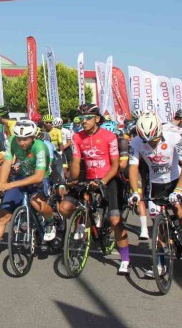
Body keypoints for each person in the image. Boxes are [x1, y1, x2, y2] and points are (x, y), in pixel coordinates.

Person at [128, 112, 182, 272]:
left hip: (176, 179)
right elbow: (133, 167)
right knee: (156, 219)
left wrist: (178, 190)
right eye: (147, 141)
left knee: (179, 210)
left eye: (154, 140)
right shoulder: (136, 142)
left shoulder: (174, 138)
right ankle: (160, 262)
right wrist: (135, 191)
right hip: (156, 182)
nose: (151, 143)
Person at [0, 120, 51, 267]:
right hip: (22, 177)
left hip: (40, 178)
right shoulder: (13, 141)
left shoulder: (40, 147)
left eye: (25, 139)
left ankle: (50, 222)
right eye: (19, 138)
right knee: (2, 216)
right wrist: (2, 185)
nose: (21, 142)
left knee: (37, 203)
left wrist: (10, 184)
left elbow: (39, 176)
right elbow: (7, 163)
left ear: (33, 137)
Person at [64, 103, 132, 275]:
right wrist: (72, 180)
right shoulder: (77, 137)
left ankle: (125, 259)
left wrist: (103, 181)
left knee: (115, 220)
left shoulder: (109, 136)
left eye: (88, 118)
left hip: (109, 178)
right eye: (81, 118)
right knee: (64, 207)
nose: (84, 121)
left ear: (96, 118)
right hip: (88, 177)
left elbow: (115, 165)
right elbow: (76, 163)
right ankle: (85, 222)